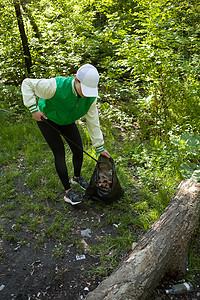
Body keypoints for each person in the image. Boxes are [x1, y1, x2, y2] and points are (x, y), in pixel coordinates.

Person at [21, 64, 110, 205]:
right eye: (84, 89)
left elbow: (93, 122)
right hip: (47, 119)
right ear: (76, 80)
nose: (86, 93)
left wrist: (99, 147)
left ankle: (76, 177)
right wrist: (33, 109)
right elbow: (27, 83)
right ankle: (68, 192)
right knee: (59, 152)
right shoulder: (55, 86)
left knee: (78, 149)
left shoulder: (91, 98)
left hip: (67, 120)